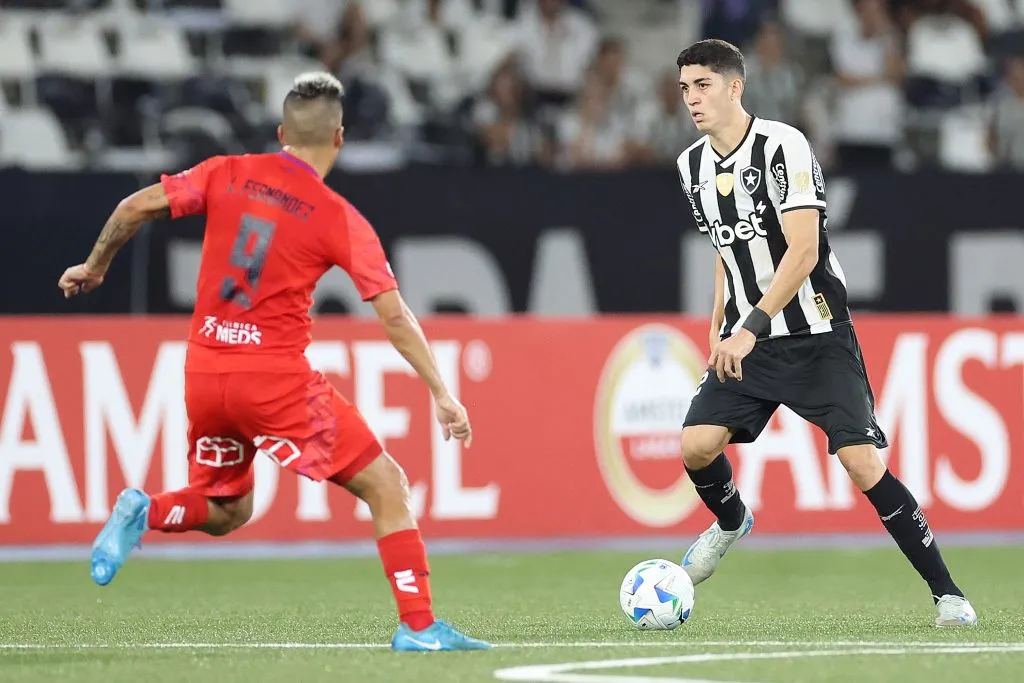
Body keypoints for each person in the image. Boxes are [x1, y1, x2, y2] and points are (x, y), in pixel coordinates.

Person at [57, 72, 491, 652]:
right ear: (339, 139)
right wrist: (441, 390)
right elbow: (393, 314)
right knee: (387, 485)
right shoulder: (337, 215)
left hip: (205, 373)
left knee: (228, 507)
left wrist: (95, 265)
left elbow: (134, 206)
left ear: (281, 132)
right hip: (273, 380)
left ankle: (147, 509)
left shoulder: (226, 171)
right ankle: (419, 627)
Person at [672, 40, 976, 627]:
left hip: (816, 335)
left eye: (703, 85)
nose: (692, 99)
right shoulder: (691, 166)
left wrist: (749, 328)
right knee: (695, 445)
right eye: (685, 88)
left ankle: (948, 594)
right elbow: (723, 245)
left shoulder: (783, 145)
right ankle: (733, 521)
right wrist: (718, 323)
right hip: (746, 340)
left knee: (862, 463)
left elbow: (805, 249)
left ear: (735, 86)